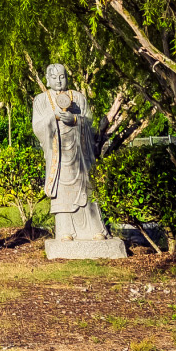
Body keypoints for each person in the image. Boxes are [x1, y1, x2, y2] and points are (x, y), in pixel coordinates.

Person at [32, 63, 109, 241]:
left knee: (86, 188)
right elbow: (37, 127)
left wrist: (75, 119)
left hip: (80, 154)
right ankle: (65, 230)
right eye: (54, 77)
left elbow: (89, 120)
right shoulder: (41, 100)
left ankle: (95, 229)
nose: (59, 81)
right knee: (62, 188)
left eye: (62, 77)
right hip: (58, 156)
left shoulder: (78, 98)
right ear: (47, 79)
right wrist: (54, 117)